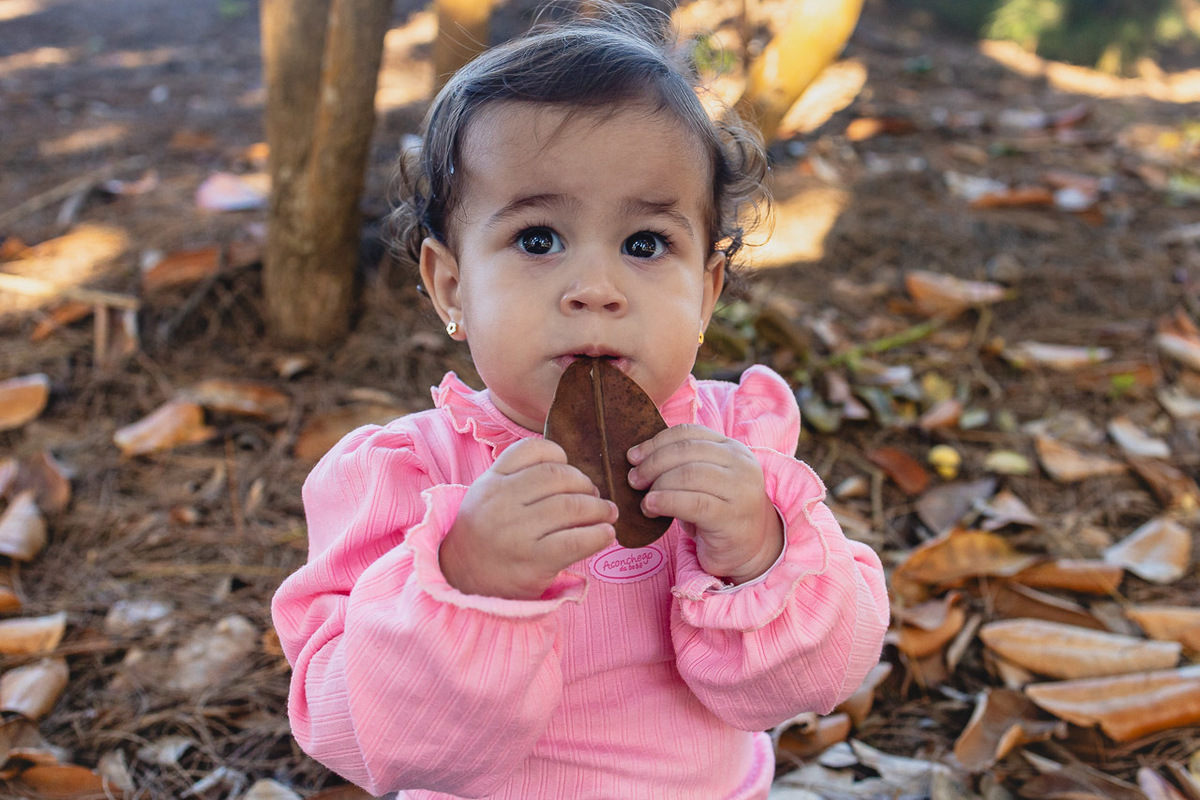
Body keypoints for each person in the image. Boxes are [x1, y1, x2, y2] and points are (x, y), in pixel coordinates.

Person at [271, 7, 889, 799]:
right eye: (537, 239)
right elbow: (350, 731)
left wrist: (762, 552)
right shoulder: (407, 478)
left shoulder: (741, 445)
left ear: (707, 293)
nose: (595, 290)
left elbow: (810, 686)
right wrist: (463, 581)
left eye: (644, 244)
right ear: (450, 284)